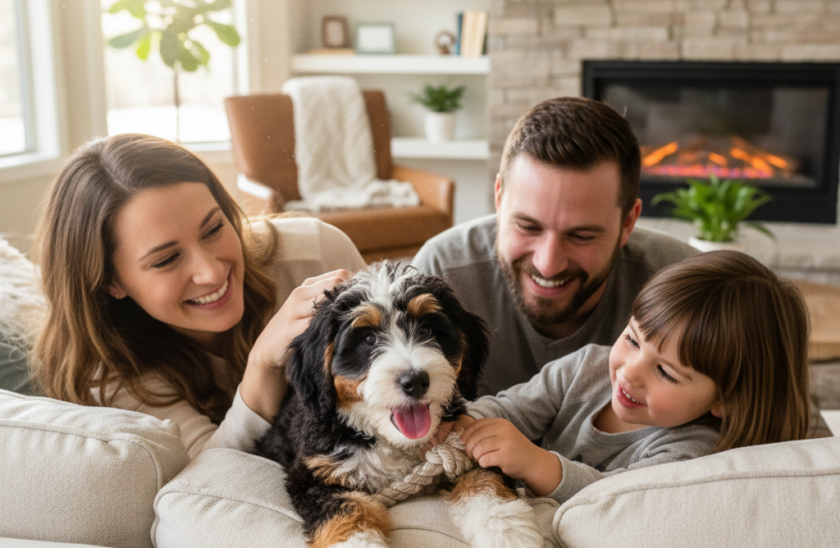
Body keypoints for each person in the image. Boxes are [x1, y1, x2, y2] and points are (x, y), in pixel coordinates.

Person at [30, 134, 367, 460]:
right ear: (109, 282)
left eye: (213, 229)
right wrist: (262, 364)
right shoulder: (110, 369)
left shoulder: (318, 253)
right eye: (166, 260)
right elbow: (202, 482)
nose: (211, 271)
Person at [446, 250, 811, 505]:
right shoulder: (586, 367)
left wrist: (535, 463)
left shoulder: (694, 451)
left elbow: (619, 499)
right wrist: (465, 422)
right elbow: (511, 408)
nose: (630, 371)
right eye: (633, 339)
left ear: (727, 397)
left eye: (666, 372)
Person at [412, 96, 699, 396]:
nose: (547, 264)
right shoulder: (441, 274)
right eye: (528, 226)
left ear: (628, 223)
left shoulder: (687, 290)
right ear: (499, 200)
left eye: (581, 236)